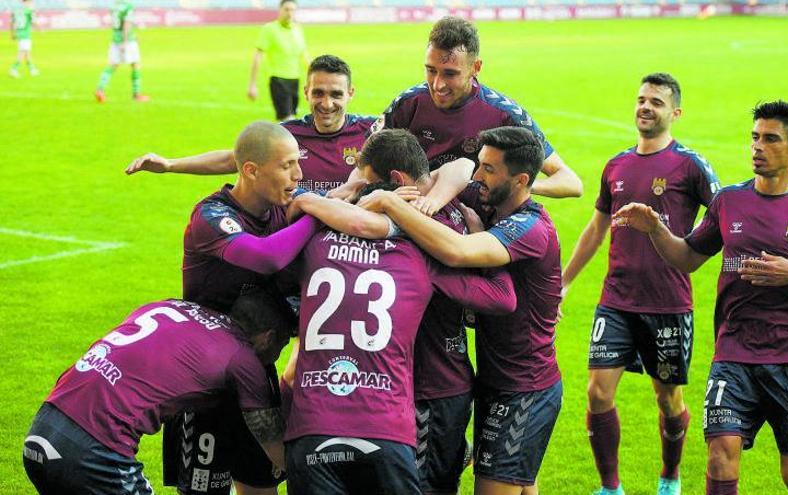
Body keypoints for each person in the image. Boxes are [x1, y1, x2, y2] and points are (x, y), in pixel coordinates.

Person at [613, 100, 788, 495]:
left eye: (771, 139)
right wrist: (656, 228)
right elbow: (689, 257)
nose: (758, 147)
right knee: (719, 454)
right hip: (734, 354)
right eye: (755, 138)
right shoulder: (729, 201)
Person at [359, 126, 563, 495]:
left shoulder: (530, 227)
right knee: (520, 481)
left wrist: (390, 205)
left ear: (519, 180)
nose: (477, 176)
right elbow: (454, 169)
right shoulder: (490, 200)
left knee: (496, 486)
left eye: (488, 169)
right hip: (494, 378)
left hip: (524, 386)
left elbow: (457, 253)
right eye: (481, 165)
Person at [285, 179, 517, 495]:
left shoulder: (315, 245)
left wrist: (315, 200)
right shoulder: (418, 257)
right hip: (385, 428)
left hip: (313, 427)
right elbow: (501, 299)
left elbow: (272, 248)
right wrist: (478, 236)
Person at [560, 73, 720, 495]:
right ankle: (610, 487)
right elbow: (596, 229)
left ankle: (669, 476)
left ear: (675, 113)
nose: (646, 107)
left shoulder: (690, 165)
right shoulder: (616, 165)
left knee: (668, 399)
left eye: (656, 102)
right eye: (641, 99)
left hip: (668, 302)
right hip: (616, 300)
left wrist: (690, 248)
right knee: (597, 392)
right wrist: (564, 282)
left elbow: (721, 216)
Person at [166, 121, 321, 495]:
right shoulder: (211, 217)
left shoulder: (280, 213)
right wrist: (318, 214)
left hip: (257, 372)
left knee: (261, 484)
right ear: (250, 170)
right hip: (206, 385)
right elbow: (266, 257)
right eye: (287, 166)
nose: (298, 175)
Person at [22, 289, 295, 494]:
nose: (274, 357)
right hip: (94, 454)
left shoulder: (168, 306)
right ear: (267, 337)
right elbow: (274, 449)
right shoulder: (243, 359)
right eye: (281, 346)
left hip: (42, 429)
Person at [371, 16, 583, 199]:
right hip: (416, 213)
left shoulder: (505, 115)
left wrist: (514, 186)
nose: (437, 85)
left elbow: (570, 182)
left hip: (476, 227)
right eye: (431, 70)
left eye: (450, 73)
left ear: (476, 67)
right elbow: (366, 163)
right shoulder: (409, 103)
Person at [126, 55, 371, 192]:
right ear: (306, 92)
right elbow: (234, 159)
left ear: (350, 93)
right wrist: (170, 165)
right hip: (298, 242)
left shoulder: (371, 133)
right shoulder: (287, 135)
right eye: (318, 93)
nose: (327, 104)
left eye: (336, 94)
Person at [249, 0, 310, 121]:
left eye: (292, 10)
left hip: (295, 80)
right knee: (288, 120)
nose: (289, 13)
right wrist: (253, 84)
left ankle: (280, 139)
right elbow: (258, 56)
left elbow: (305, 57)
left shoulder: (297, 30)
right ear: (280, 10)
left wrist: (314, 79)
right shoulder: (269, 29)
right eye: (286, 9)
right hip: (278, 80)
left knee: (290, 120)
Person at [94, 0, 148, 102]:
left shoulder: (114, 5)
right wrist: (125, 41)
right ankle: (136, 95)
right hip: (126, 40)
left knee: (112, 65)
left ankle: (100, 89)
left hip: (115, 38)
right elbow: (126, 24)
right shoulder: (128, 6)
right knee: (135, 64)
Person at [8, 0, 38, 78]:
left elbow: (11, 22)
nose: (31, 3)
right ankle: (14, 69)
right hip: (26, 34)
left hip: (19, 34)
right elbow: (33, 22)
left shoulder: (16, 11)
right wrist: (40, 29)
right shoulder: (29, 11)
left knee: (27, 52)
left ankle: (32, 69)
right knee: (22, 52)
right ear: (27, 2)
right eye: (30, 2)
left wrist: (12, 34)